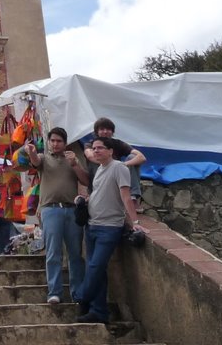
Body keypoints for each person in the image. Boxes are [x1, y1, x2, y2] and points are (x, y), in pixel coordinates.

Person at [76, 137, 145, 324]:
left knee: (95, 266)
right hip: (92, 224)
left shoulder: (119, 168)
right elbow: (98, 192)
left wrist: (135, 221)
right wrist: (85, 200)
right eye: (95, 148)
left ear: (111, 151)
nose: (96, 151)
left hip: (109, 226)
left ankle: (82, 296)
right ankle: (99, 311)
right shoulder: (99, 170)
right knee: (98, 270)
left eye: (100, 148)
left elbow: (125, 195)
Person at [24, 127, 89, 304]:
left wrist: (75, 164)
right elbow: (36, 162)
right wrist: (31, 152)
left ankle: (78, 293)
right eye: (52, 140)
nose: (55, 144)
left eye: (59, 141)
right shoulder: (45, 159)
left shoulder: (72, 159)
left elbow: (85, 181)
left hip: (71, 209)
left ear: (65, 143)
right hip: (50, 209)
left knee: (75, 253)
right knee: (53, 252)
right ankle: (54, 291)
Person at [84, 117, 146, 204]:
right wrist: (113, 165)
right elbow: (90, 156)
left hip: (115, 181)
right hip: (97, 184)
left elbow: (141, 157)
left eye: (108, 129)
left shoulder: (118, 144)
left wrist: (123, 164)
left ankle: (133, 196)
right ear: (96, 132)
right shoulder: (90, 145)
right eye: (102, 129)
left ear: (112, 132)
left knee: (132, 157)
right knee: (97, 156)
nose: (105, 132)